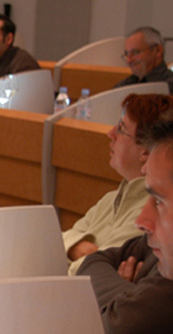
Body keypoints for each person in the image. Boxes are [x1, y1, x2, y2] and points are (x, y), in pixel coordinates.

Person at [77, 115, 173, 333]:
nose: (141, 221)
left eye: (158, 201)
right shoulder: (158, 250)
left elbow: (123, 322)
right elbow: (93, 260)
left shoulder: (160, 301)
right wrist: (128, 295)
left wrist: (130, 301)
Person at [63, 94, 173, 275]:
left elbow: (89, 275)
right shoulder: (110, 199)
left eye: (121, 129)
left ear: (146, 150)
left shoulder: (149, 214)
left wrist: (76, 253)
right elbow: (57, 239)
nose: (111, 133)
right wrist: (78, 248)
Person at [115, 26, 173, 94]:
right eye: (127, 55)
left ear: (158, 51)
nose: (129, 61)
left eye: (135, 52)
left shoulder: (169, 87)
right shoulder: (124, 86)